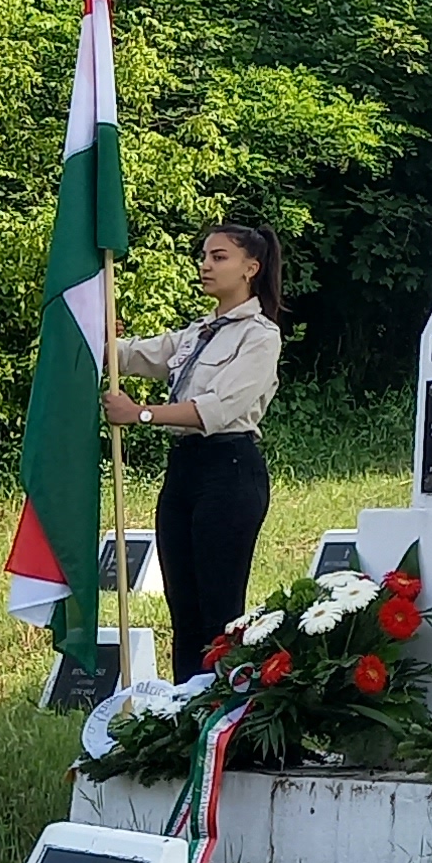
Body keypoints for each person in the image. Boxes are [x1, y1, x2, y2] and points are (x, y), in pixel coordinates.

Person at [105, 221, 287, 676]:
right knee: (182, 608)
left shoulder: (260, 336)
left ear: (250, 268)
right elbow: (134, 355)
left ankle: (223, 708)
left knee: (218, 611)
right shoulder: (198, 333)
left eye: (219, 257)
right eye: (204, 256)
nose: (205, 265)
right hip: (184, 471)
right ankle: (186, 707)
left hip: (229, 469)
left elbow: (218, 408)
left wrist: (140, 414)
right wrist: (103, 333)